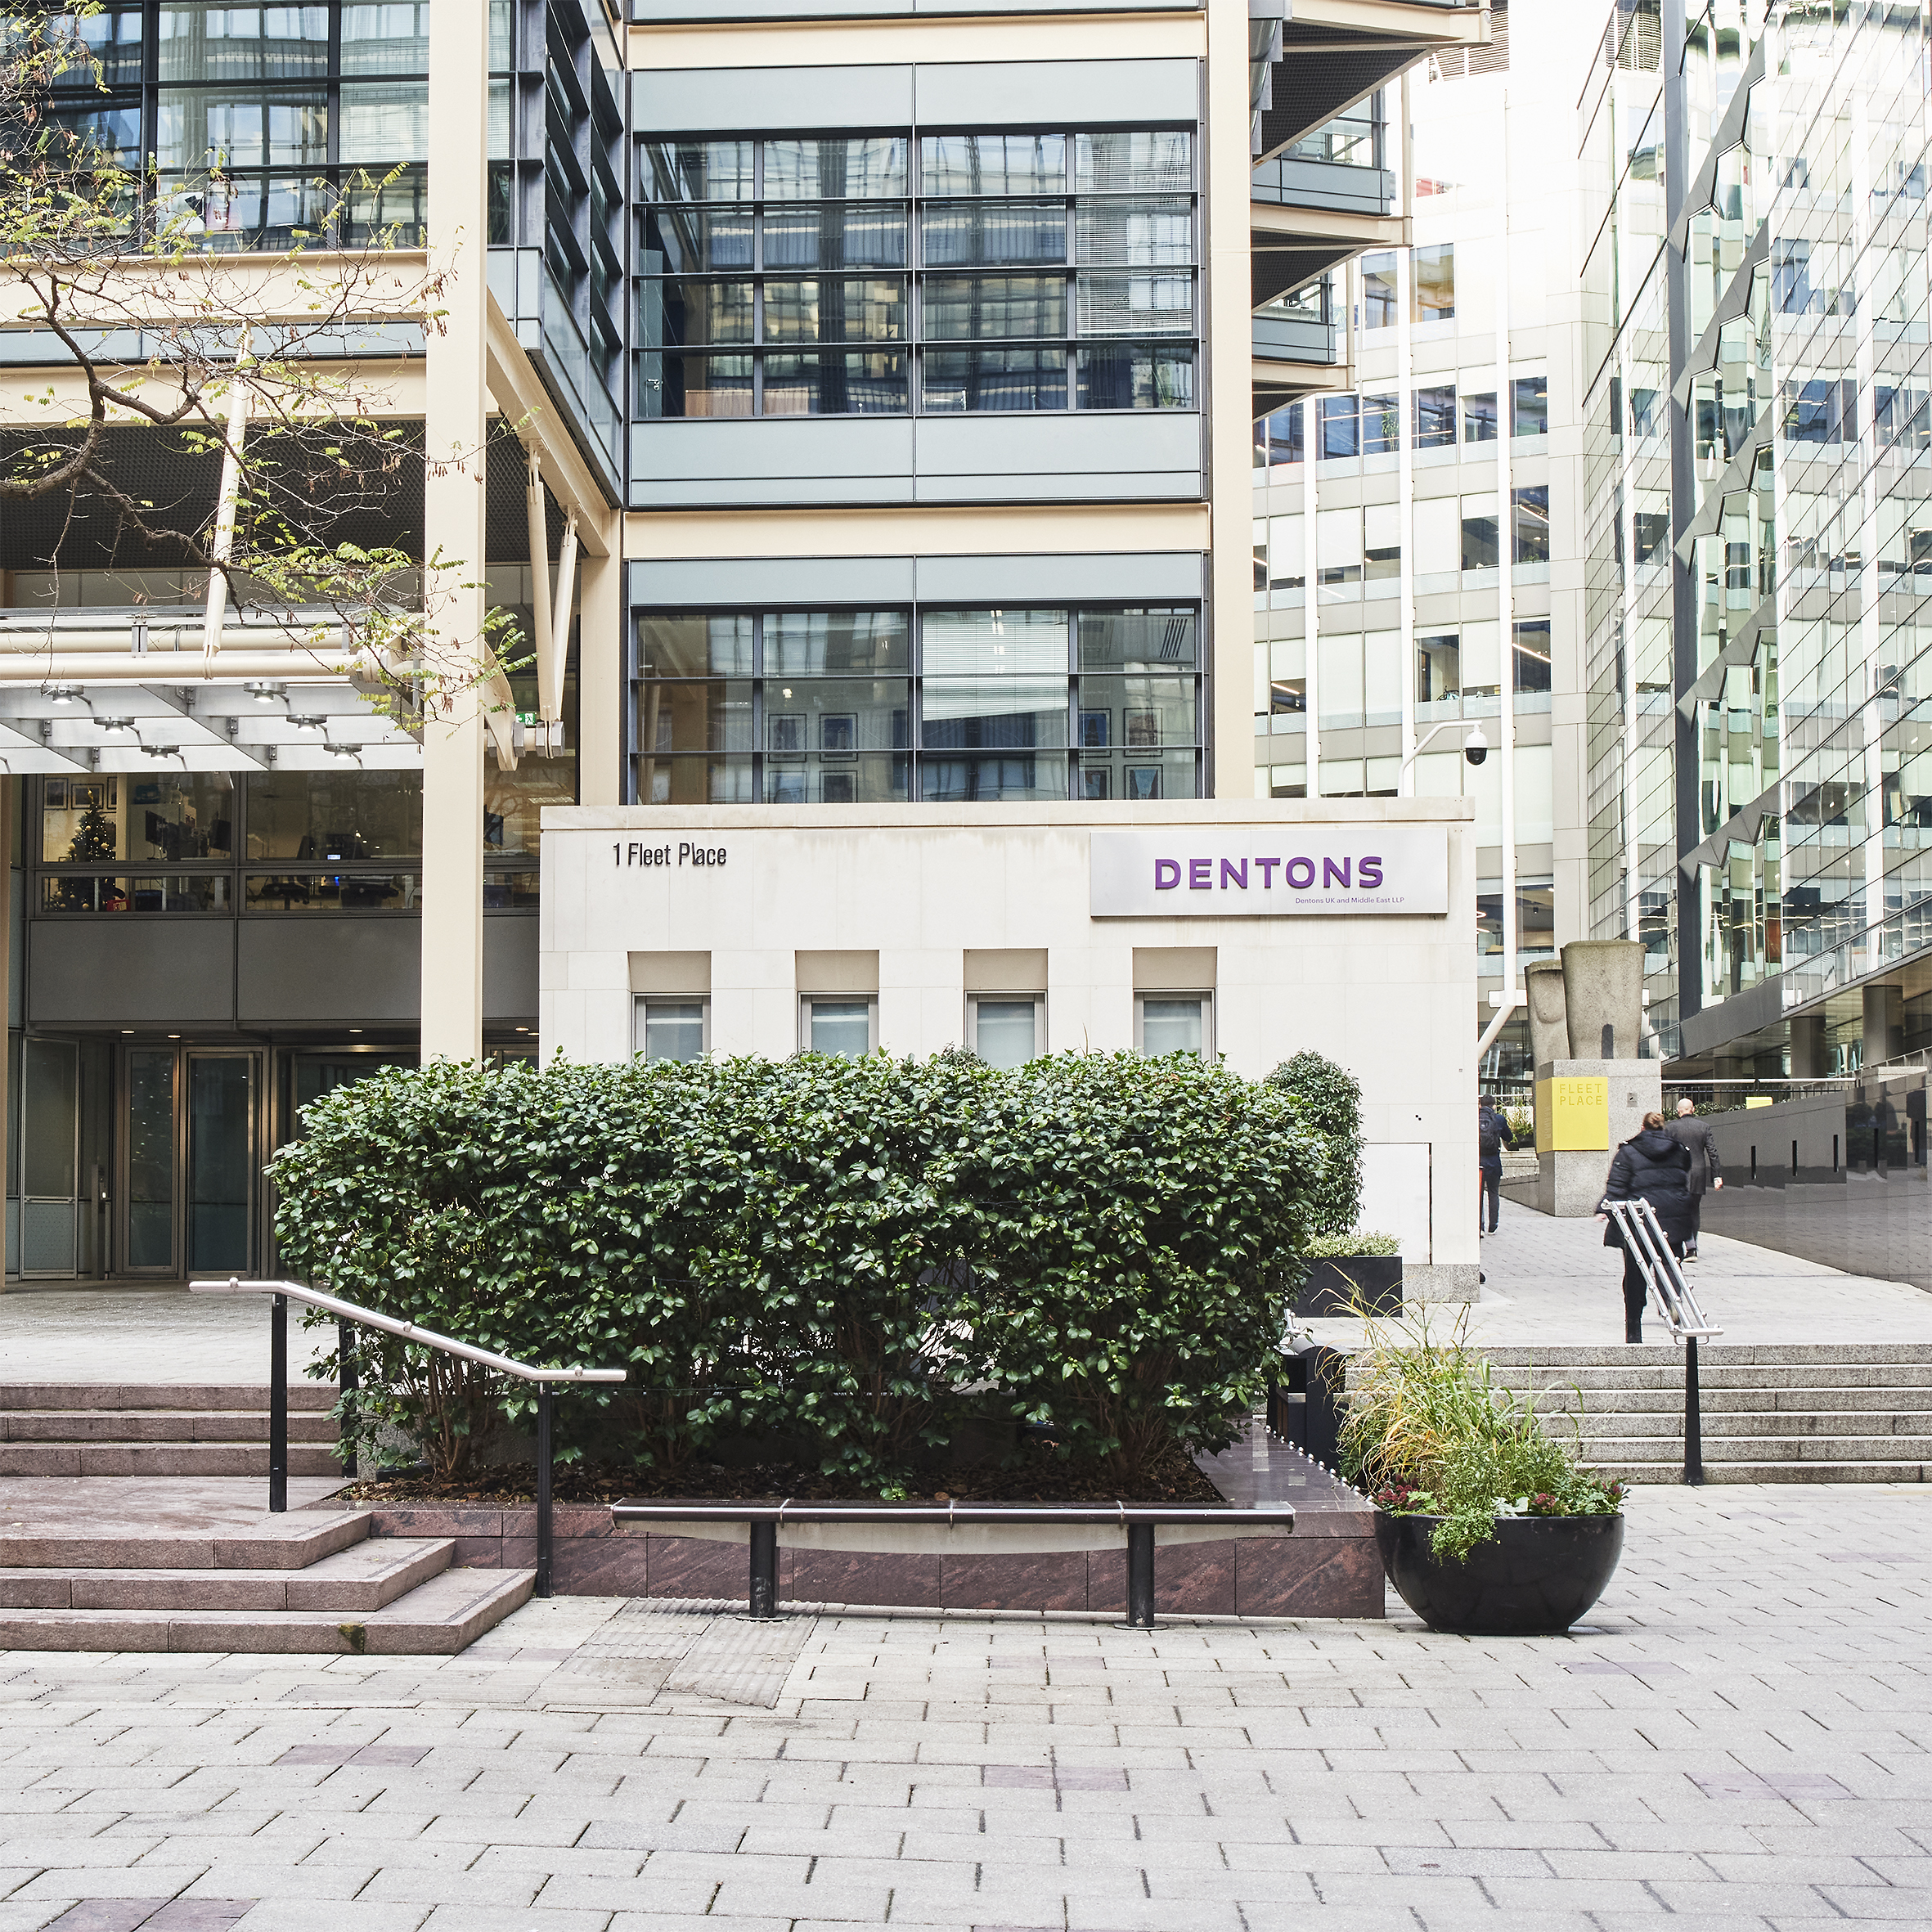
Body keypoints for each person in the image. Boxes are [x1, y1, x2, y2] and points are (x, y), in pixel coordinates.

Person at [1597, 1112, 1694, 1344]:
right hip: (1672, 1215)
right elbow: (1684, 1174)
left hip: (1639, 1219)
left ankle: (1635, 1318)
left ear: (1642, 1128)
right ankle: (1672, 1301)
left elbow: (1618, 1185)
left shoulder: (1628, 1151)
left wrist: (1604, 1208)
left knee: (1636, 1270)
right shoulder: (1679, 1149)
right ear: (1663, 1127)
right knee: (1670, 1262)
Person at [1667, 1096, 1723, 1260]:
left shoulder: (1671, 1128)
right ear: (1693, 1109)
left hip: (1679, 1174)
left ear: (1678, 1111)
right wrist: (1717, 1176)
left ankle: (1687, 1245)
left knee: (1679, 1209)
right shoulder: (1703, 1127)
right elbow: (1713, 1153)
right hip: (1699, 1173)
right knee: (1694, 1210)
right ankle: (1693, 1248)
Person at [1477, 1097, 1516, 1236]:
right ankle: (1492, 1226)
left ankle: (1479, 1226)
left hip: (1477, 1160)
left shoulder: (1473, 1118)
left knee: (1478, 1194)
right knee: (1493, 1193)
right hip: (1494, 1162)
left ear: (1480, 1105)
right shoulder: (1499, 1119)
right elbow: (1509, 1137)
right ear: (1494, 1106)